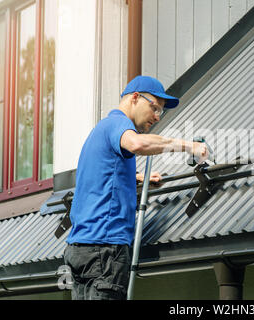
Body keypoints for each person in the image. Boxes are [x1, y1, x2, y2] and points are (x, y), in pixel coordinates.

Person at [63, 75, 208, 300]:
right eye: (154, 108)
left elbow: (99, 177)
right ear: (135, 98)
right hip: (105, 248)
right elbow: (138, 144)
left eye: (161, 111)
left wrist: (135, 177)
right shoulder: (119, 123)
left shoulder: (99, 131)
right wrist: (189, 146)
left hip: (79, 250)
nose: (157, 117)